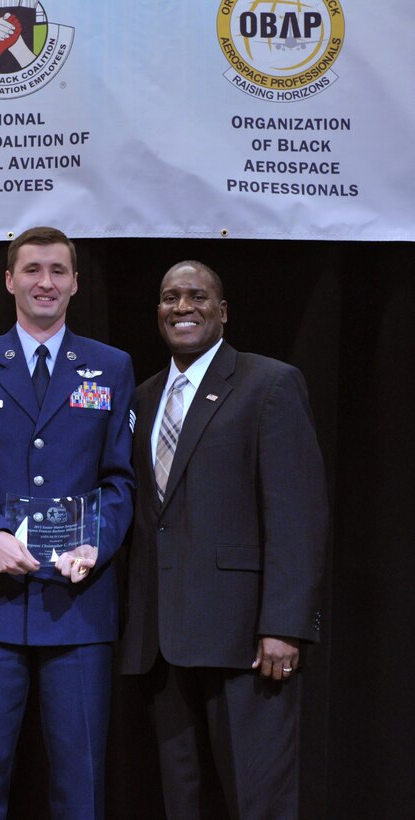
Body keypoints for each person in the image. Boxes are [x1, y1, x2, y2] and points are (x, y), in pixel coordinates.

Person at [0, 226, 135, 819]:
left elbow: (121, 481)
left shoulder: (110, 366)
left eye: (57, 271)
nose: (44, 282)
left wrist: (95, 543)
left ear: (75, 283)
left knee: (81, 786)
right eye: (31, 270)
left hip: (78, 607)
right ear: (9, 281)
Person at [120, 260, 328, 819]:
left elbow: (298, 515)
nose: (182, 307)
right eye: (169, 297)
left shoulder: (269, 382)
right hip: (162, 640)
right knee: (180, 800)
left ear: (223, 310)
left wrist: (283, 625)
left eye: (196, 296)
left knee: (257, 800)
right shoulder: (142, 396)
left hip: (245, 641)